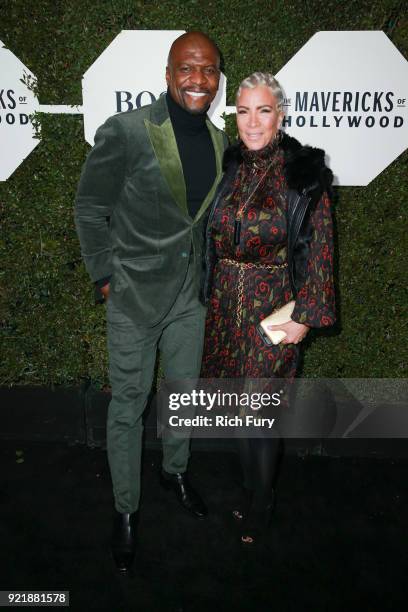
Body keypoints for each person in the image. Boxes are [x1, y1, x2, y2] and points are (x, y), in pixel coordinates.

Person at [75, 31, 228, 572]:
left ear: (217, 80)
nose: (198, 79)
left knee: (183, 394)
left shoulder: (216, 139)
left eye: (208, 70)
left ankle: (175, 471)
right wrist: (106, 278)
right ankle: (125, 511)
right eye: (188, 68)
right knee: (129, 406)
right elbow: (90, 208)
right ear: (168, 74)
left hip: (190, 296)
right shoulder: (127, 131)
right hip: (135, 295)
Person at [201, 72, 336, 546]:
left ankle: (263, 501)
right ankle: (251, 487)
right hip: (224, 307)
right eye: (243, 111)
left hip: (274, 308)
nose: (252, 121)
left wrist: (304, 317)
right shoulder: (229, 165)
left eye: (263, 110)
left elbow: (319, 248)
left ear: (280, 116)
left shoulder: (302, 172)